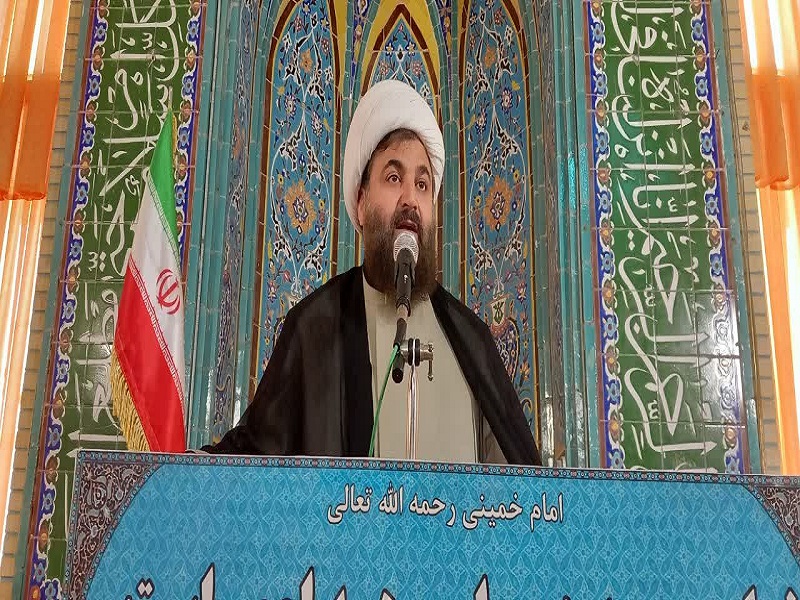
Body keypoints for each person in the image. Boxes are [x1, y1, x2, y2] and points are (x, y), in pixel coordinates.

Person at [203, 80, 541, 465]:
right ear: (361, 203)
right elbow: (252, 460)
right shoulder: (314, 327)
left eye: (422, 184)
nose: (411, 199)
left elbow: (522, 485)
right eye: (394, 178)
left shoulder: (471, 341)